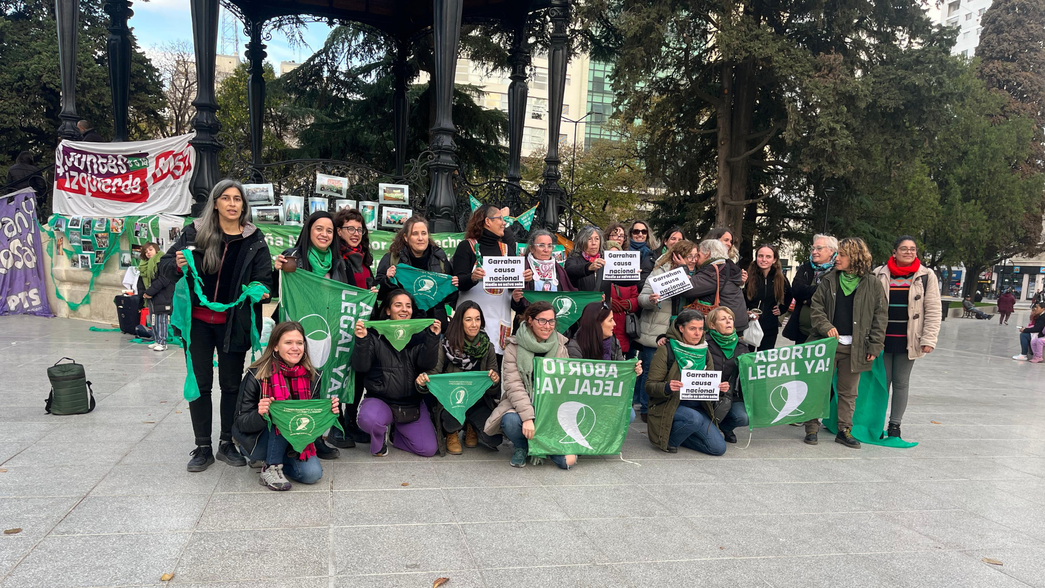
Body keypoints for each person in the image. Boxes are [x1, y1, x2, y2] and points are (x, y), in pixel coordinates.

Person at [159, 179, 273, 472]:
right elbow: (166, 265)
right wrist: (177, 266)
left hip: (234, 323)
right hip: (197, 323)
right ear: (216, 203)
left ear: (244, 206)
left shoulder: (255, 239)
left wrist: (260, 289)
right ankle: (202, 447)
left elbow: (265, 279)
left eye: (238, 199)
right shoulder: (195, 232)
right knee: (200, 383)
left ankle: (226, 443)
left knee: (232, 385)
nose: (233, 204)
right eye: (226, 198)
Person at [271, 211, 346, 459]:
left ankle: (317, 437)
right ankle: (287, 435)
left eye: (329, 230)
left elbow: (342, 297)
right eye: (318, 229)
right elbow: (276, 292)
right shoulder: (292, 257)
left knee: (321, 383)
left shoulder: (338, 263)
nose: (324, 234)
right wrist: (276, 270)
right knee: (296, 381)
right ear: (308, 231)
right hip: (296, 331)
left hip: (324, 331)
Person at [232, 321, 335, 490]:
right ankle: (270, 467)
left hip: (295, 440)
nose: (295, 348)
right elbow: (240, 422)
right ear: (275, 346)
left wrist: (327, 414)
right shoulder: (256, 374)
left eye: (299, 343)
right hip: (257, 438)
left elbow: (309, 421)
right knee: (282, 411)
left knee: (312, 475)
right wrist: (260, 414)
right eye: (288, 343)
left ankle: (278, 459)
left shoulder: (313, 376)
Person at [809, 237, 887, 449]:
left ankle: (844, 430)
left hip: (855, 348)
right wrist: (826, 326)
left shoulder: (872, 283)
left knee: (848, 392)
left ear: (855, 257)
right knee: (819, 387)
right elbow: (816, 309)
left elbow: (880, 316)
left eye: (842, 255)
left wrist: (875, 345)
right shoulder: (828, 280)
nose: (837, 258)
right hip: (826, 345)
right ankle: (812, 427)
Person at [352, 289, 442, 457]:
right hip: (380, 400)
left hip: (411, 404)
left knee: (428, 449)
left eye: (408, 306)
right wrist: (362, 340)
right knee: (369, 420)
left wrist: (432, 338)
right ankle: (379, 441)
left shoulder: (419, 334)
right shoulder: (374, 334)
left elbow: (427, 363)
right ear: (388, 310)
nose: (404, 309)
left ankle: (396, 434)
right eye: (398, 305)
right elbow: (361, 367)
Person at [484, 301, 574, 469]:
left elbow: (566, 382)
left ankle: (544, 445)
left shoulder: (561, 345)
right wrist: (527, 417)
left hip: (551, 407)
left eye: (551, 321)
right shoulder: (513, 347)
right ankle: (522, 447)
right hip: (522, 403)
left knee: (566, 462)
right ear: (530, 320)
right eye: (542, 321)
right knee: (510, 421)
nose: (547, 326)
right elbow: (514, 386)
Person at [871, 236, 941, 438]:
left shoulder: (926, 275)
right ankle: (876, 424)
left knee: (901, 382)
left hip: (909, 339)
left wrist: (929, 339)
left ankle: (895, 425)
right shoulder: (879, 273)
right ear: (894, 252)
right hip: (881, 339)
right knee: (882, 383)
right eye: (904, 248)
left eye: (913, 249)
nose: (909, 252)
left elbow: (934, 309)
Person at [416, 301, 503, 455]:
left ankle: (471, 425)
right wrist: (422, 382)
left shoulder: (488, 346)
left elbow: (492, 389)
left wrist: (495, 381)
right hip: (452, 402)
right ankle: (451, 432)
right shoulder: (445, 345)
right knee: (451, 417)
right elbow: (433, 375)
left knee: (494, 439)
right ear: (459, 321)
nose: (474, 324)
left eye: (477, 319)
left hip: (477, 401)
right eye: (468, 319)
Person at [634, 240, 703, 421]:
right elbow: (641, 299)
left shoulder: (696, 275)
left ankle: (668, 405)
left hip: (681, 330)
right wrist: (651, 299)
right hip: (656, 329)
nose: (693, 260)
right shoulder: (659, 272)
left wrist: (686, 273)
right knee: (651, 369)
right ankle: (646, 408)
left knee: (674, 369)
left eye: (696, 256)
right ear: (677, 255)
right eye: (690, 256)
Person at [645, 310, 728, 455]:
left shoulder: (704, 351)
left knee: (718, 449)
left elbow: (708, 384)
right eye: (692, 328)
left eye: (701, 329)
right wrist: (667, 387)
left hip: (698, 407)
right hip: (669, 405)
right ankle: (669, 440)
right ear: (681, 328)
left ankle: (682, 434)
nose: (698, 333)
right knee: (693, 419)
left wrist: (719, 388)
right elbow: (650, 386)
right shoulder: (666, 349)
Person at [329, 208, 376, 449]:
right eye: (350, 228)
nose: (356, 233)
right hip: (340, 325)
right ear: (339, 231)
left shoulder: (365, 258)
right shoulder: (334, 257)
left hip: (361, 327)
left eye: (359, 229)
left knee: (358, 374)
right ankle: (334, 424)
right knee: (338, 373)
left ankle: (350, 421)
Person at [452, 204, 517, 358]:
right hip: (471, 326)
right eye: (500, 218)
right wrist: (472, 277)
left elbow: (513, 288)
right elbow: (457, 282)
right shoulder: (466, 247)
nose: (504, 223)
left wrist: (522, 279)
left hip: (499, 326)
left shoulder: (507, 250)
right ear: (488, 221)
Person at [376, 215, 457, 330]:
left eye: (424, 233)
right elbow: (377, 293)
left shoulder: (440, 259)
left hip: (434, 327)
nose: (420, 238)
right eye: (415, 234)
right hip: (400, 328)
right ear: (406, 237)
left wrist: (452, 286)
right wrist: (387, 280)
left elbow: (450, 298)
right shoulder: (393, 258)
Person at [566, 303, 644, 417]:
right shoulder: (575, 346)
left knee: (629, 414)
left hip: (608, 396)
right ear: (597, 323)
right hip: (584, 399)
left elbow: (621, 374)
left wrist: (633, 372)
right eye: (610, 320)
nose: (615, 324)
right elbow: (574, 384)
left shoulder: (613, 342)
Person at [704, 307, 751, 444]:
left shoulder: (742, 346)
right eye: (723, 319)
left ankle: (725, 427)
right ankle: (707, 427)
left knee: (743, 418)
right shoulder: (703, 343)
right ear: (712, 325)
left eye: (730, 319)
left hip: (731, 395)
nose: (728, 322)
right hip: (707, 392)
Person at [511, 229, 576, 321]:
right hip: (528, 323)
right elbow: (516, 306)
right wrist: (515, 299)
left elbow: (569, 297)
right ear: (532, 248)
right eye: (541, 245)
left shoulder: (560, 271)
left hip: (554, 324)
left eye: (549, 246)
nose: (546, 250)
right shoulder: (521, 268)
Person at [784, 234, 837, 344]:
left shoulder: (837, 271)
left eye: (819, 248)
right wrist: (818, 291)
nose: (814, 252)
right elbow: (797, 290)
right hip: (802, 332)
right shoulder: (806, 267)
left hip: (825, 333)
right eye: (813, 248)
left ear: (831, 251)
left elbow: (830, 296)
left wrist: (806, 300)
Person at [690, 239, 749, 334]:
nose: (696, 258)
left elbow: (689, 289)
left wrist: (682, 267)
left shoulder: (714, 271)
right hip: (734, 321)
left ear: (707, 253)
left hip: (722, 325)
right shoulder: (728, 266)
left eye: (699, 254)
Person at [744, 244, 792, 351]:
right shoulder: (748, 277)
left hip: (770, 326)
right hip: (750, 324)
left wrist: (781, 309)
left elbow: (789, 294)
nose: (764, 259)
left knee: (765, 359)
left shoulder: (780, 278)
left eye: (768, 257)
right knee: (747, 357)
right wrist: (746, 313)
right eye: (760, 256)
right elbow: (741, 298)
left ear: (774, 259)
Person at [140, 242, 175, 352]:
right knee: (153, 319)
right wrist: (144, 293)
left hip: (162, 295)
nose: (148, 253)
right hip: (152, 296)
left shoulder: (163, 262)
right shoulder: (145, 264)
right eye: (146, 251)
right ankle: (156, 340)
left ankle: (162, 342)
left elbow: (163, 280)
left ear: (156, 249)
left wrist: (150, 291)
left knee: (161, 319)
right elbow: (141, 280)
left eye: (150, 250)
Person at [627, 220, 658, 287]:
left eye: (644, 232)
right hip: (627, 291)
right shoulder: (623, 251)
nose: (640, 234)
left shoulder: (654, 253)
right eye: (636, 232)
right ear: (631, 234)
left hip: (647, 291)